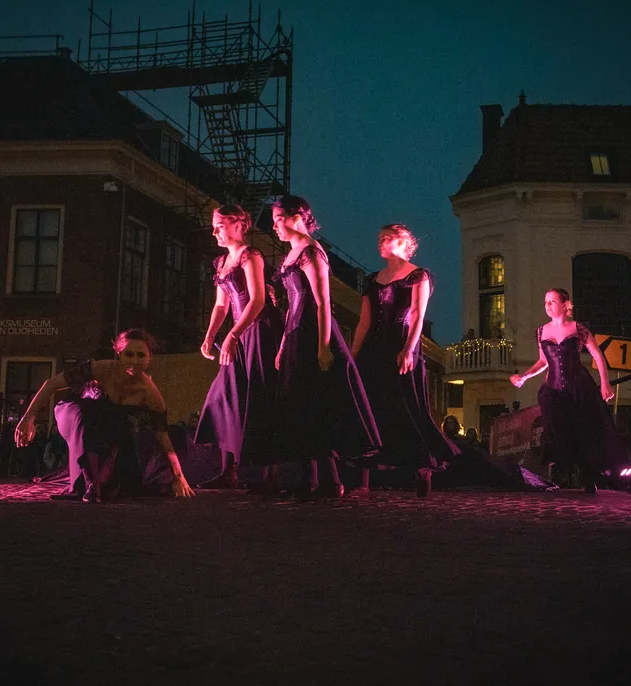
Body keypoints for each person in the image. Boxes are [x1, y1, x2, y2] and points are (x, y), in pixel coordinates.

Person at [269, 195, 381, 498]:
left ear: (296, 218)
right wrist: (283, 344)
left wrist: (323, 346)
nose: (274, 226)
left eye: (278, 219)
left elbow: (321, 302)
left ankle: (326, 481)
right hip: (296, 333)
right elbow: (291, 305)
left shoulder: (311, 251)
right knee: (302, 404)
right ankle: (314, 480)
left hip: (312, 332)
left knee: (316, 403)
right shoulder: (292, 255)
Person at [13, 328, 195, 502]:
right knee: (87, 416)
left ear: (149, 359)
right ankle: (88, 483)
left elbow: (162, 437)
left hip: (106, 433)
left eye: (141, 355)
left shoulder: (150, 394)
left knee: (122, 481)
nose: (134, 360)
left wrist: (179, 477)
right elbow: (51, 384)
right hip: (75, 415)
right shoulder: (103, 369)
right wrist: (28, 418)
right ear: (119, 354)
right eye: (129, 354)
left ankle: (95, 480)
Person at [349, 224, 458, 497]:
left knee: (408, 407)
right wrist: (353, 356)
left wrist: (409, 349)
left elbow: (418, 314)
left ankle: (422, 469)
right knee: (369, 409)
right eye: (380, 237)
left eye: (388, 237)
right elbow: (364, 322)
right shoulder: (372, 280)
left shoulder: (418, 276)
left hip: (401, 345)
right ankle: (363, 481)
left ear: (404, 242)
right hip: (374, 349)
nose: (382, 241)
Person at [194, 204, 281, 493]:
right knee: (223, 396)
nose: (214, 231)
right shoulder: (222, 262)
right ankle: (228, 471)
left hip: (259, 332)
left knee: (260, 395)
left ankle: (270, 475)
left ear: (238, 224)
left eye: (219, 225)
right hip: (240, 333)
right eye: (214, 226)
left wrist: (233, 334)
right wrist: (210, 335)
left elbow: (257, 300)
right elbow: (221, 305)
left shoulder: (250, 256)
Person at [510, 288, 627, 494]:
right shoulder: (541, 331)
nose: (547, 305)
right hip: (554, 391)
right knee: (557, 430)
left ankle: (589, 476)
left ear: (565, 305)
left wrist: (605, 383)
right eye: (546, 302)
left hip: (579, 388)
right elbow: (544, 361)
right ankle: (561, 473)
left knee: (584, 430)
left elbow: (598, 356)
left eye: (552, 301)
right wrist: (524, 376)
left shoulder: (578, 328)